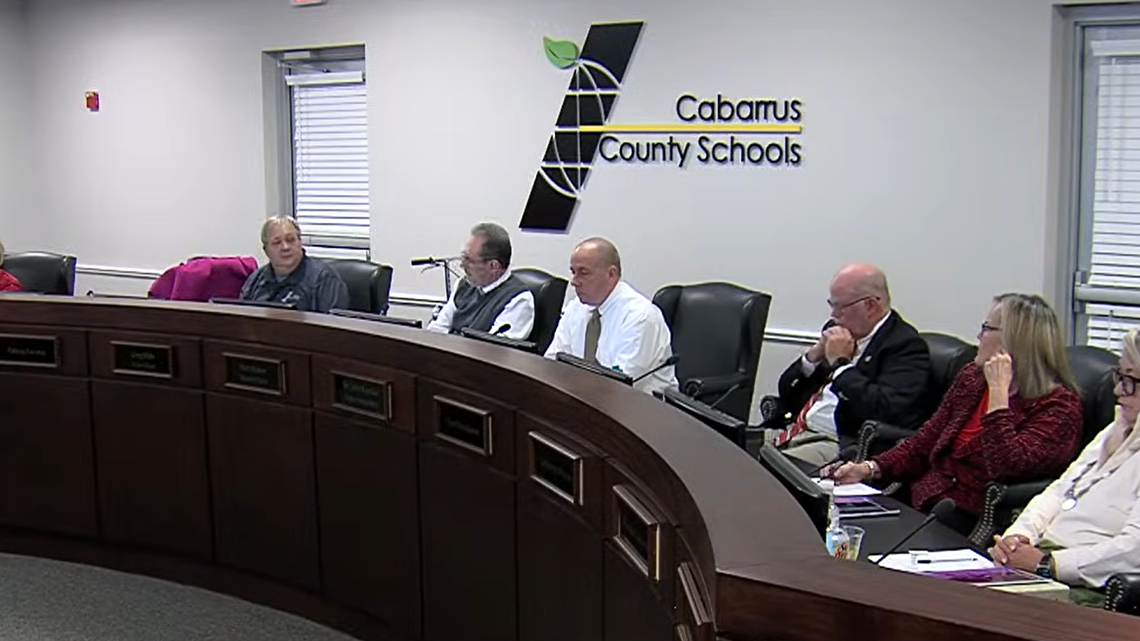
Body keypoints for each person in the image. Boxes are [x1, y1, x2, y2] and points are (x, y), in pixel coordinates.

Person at [828, 293, 1082, 534]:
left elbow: (1004, 466)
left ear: (1015, 341)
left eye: (986, 328)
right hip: (923, 501)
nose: (978, 336)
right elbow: (926, 439)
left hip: (972, 520)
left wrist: (998, 393)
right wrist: (869, 468)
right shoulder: (973, 378)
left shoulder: (1059, 409)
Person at [989, 327, 1140, 607]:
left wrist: (1050, 564)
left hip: (1084, 580)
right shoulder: (1117, 427)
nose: (1119, 389)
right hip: (1041, 558)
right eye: (1120, 376)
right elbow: (1060, 490)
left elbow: (1133, 551)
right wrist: (1019, 536)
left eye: (1130, 380)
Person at [771, 264, 929, 466]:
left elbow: (884, 409)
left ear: (871, 306)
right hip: (795, 429)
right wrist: (813, 357)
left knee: (766, 471)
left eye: (840, 307)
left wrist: (840, 365)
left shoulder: (905, 346)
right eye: (832, 305)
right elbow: (787, 392)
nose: (833, 315)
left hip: (837, 443)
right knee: (733, 451)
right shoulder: (837, 329)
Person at [544, 237, 676, 395]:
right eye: (573, 272)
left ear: (611, 274)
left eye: (583, 273)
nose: (574, 282)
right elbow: (552, 362)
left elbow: (622, 384)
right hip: (584, 401)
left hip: (641, 410)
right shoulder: (576, 308)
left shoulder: (640, 317)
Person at [425, 222, 534, 340]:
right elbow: (438, 329)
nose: (462, 265)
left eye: (468, 260)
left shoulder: (519, 299)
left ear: (493, 266)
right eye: (463, 257)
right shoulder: (463, 286)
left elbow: (495, 350)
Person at [239, 217, 349, 313]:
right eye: (277, 242)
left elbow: (333, 330)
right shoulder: (255, 280)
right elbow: (243, 322)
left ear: (300, 242)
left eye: (290, 240)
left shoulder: (324, 279)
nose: (285, 247)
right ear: (266, 250)